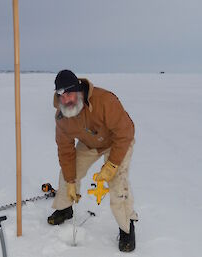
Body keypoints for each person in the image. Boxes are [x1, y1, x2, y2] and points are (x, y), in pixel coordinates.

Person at [47, 70, 138, 252]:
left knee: (117, 184)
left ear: (79, 91)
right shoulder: (61, 117)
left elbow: (125, 132)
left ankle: (126, 227)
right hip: (91, 144)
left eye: (70, 94)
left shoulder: (105, 101)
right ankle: (65, 208)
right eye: (61, 96)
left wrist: (112, 165)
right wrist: (71, 181)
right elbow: (65, 151)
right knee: (67, 173)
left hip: (118, 142)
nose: (67, 100)